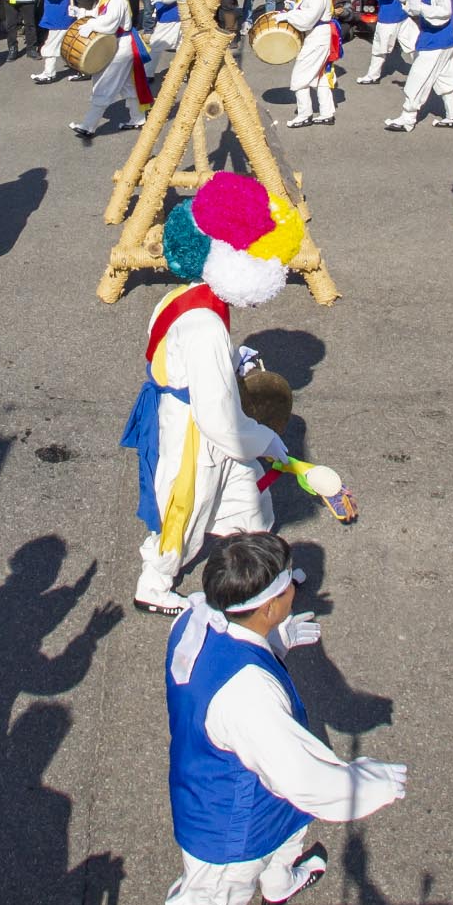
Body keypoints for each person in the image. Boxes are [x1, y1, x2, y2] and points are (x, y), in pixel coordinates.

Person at [162, 533, 407, 905]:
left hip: (247, 788)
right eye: (288, 583)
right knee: (219, 894)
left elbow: (228, 651)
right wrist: (372, 784)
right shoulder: (248, 695)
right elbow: (304, 780)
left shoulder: (196, 617)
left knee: (286, 832)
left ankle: (279, 883)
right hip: (229, 822)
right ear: (269, 608)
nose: (296, 586)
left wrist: (276, 640)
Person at [123, 173, 299, 615]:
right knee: (187, 507)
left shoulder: (188, 298)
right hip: (193, 434)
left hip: (194, 417)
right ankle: (154, 583)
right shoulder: (204, 324)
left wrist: (234, 359)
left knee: (247, 495)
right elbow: (219, 420)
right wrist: (268, 441)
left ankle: (267, 570)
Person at [72, 0, 157, 141]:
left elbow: (108, 24)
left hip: (119, 47)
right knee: (128, 86)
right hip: (119, 45)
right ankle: (138, 118)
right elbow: (98, 14)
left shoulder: (117, 1)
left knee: (104, 85)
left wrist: (91, 25)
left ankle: (88, 126)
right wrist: (82, 13)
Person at [382, 0, 453, 130]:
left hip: (435, 42)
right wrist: (406, 0)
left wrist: (420, 8)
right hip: (442, 41)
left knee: (417, 79)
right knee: (444, 78)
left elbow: (445, 11)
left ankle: (407, 118)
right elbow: (419, 2)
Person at [275, 0, 342, 129]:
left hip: (318, 36)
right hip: (320, 35)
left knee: (300, 76)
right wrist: (293, 8)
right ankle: (327, 112)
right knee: (320, 76)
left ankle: (305, 114)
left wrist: (288, 16)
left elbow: (307, 20)